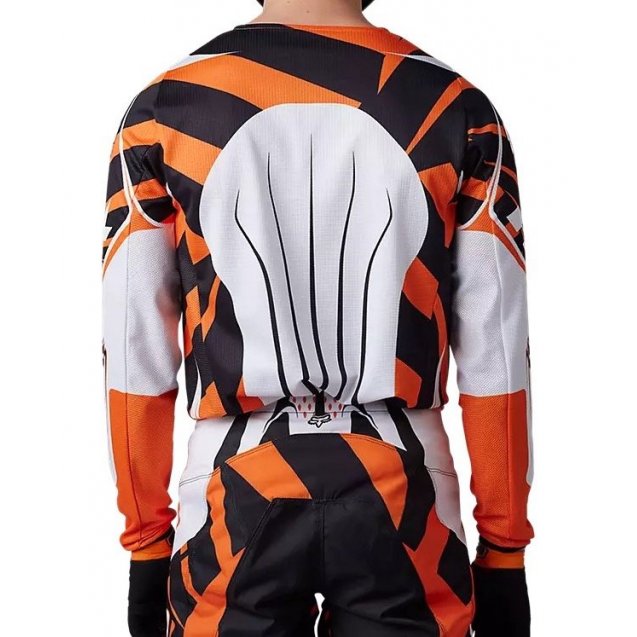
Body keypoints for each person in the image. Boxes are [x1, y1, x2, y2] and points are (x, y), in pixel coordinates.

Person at [101, 0, 534, 635]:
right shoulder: (459, 107)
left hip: (231, 479)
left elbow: (134, 347)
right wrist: (503, 546)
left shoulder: (163, 109)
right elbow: (497, 349)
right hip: (405, 474)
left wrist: (145, 542)